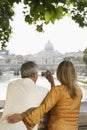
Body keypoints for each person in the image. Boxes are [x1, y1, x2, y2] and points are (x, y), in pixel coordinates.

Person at [7, 60, 82, 130]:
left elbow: (44, 108)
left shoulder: (58, 90)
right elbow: (59, 101)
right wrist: (52, 82)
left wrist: (22, 116)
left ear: (59, 73)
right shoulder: (79, 91)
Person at [0, 61, 55, 130]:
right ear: (34, 75)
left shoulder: (11, 85)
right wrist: (52, 82)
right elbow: (53, 101)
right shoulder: (43, 91)